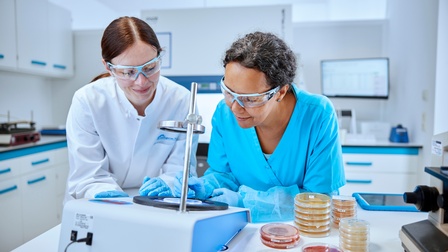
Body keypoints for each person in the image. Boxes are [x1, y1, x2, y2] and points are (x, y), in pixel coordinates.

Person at [172, 31, 345, 223]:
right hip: (239, 225)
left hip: (299, 229)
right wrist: (204, 186)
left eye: (251, 99)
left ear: (280, 92)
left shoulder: (317, 114)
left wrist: (245, 201)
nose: (236, 107)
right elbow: (223, 175)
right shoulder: (224, 113)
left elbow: (319, 199)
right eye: (228, 92)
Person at [65, 16, 198, 202]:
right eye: (128, 72)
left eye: (150, 67)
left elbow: (179, 170)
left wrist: (168, 185)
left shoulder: (181, 101)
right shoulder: (87, 101)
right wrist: (107, 195)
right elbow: (88, 175)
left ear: (160, 57)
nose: (141, 81)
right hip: (98, 204)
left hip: (155, 204)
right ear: (108, 67)